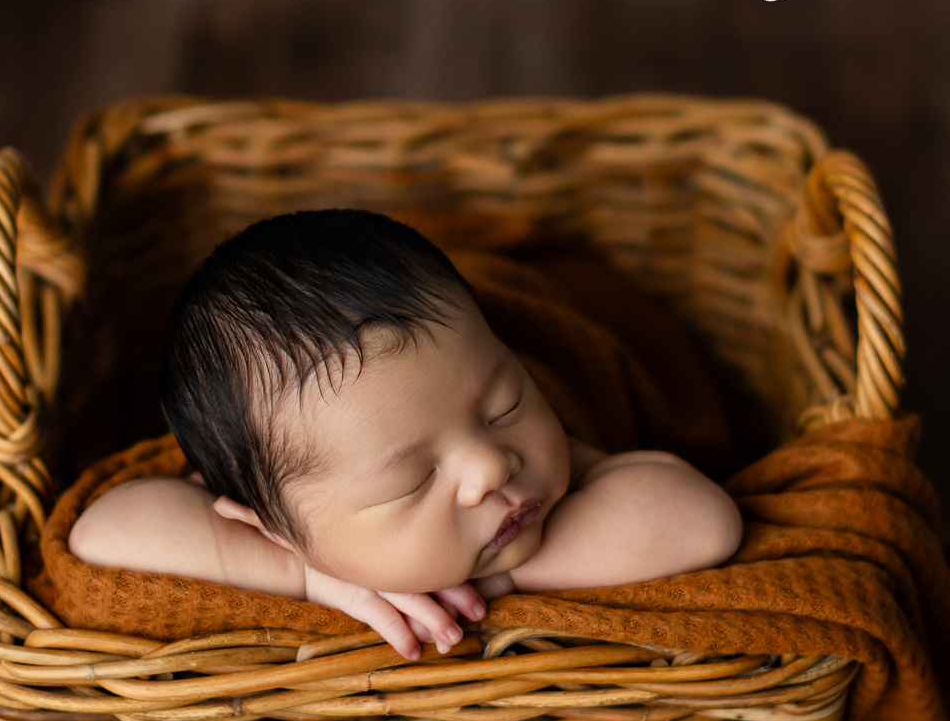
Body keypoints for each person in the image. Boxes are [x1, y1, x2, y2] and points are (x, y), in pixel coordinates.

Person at [69, 208, 743, 661]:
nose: (490, 466)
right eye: (413, 479)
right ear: (272, 527)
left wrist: (501, 580)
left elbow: (702, 520)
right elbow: (99, 535)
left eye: (503, 405)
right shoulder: (278, 531)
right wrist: (309, 574)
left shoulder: (539, 465)